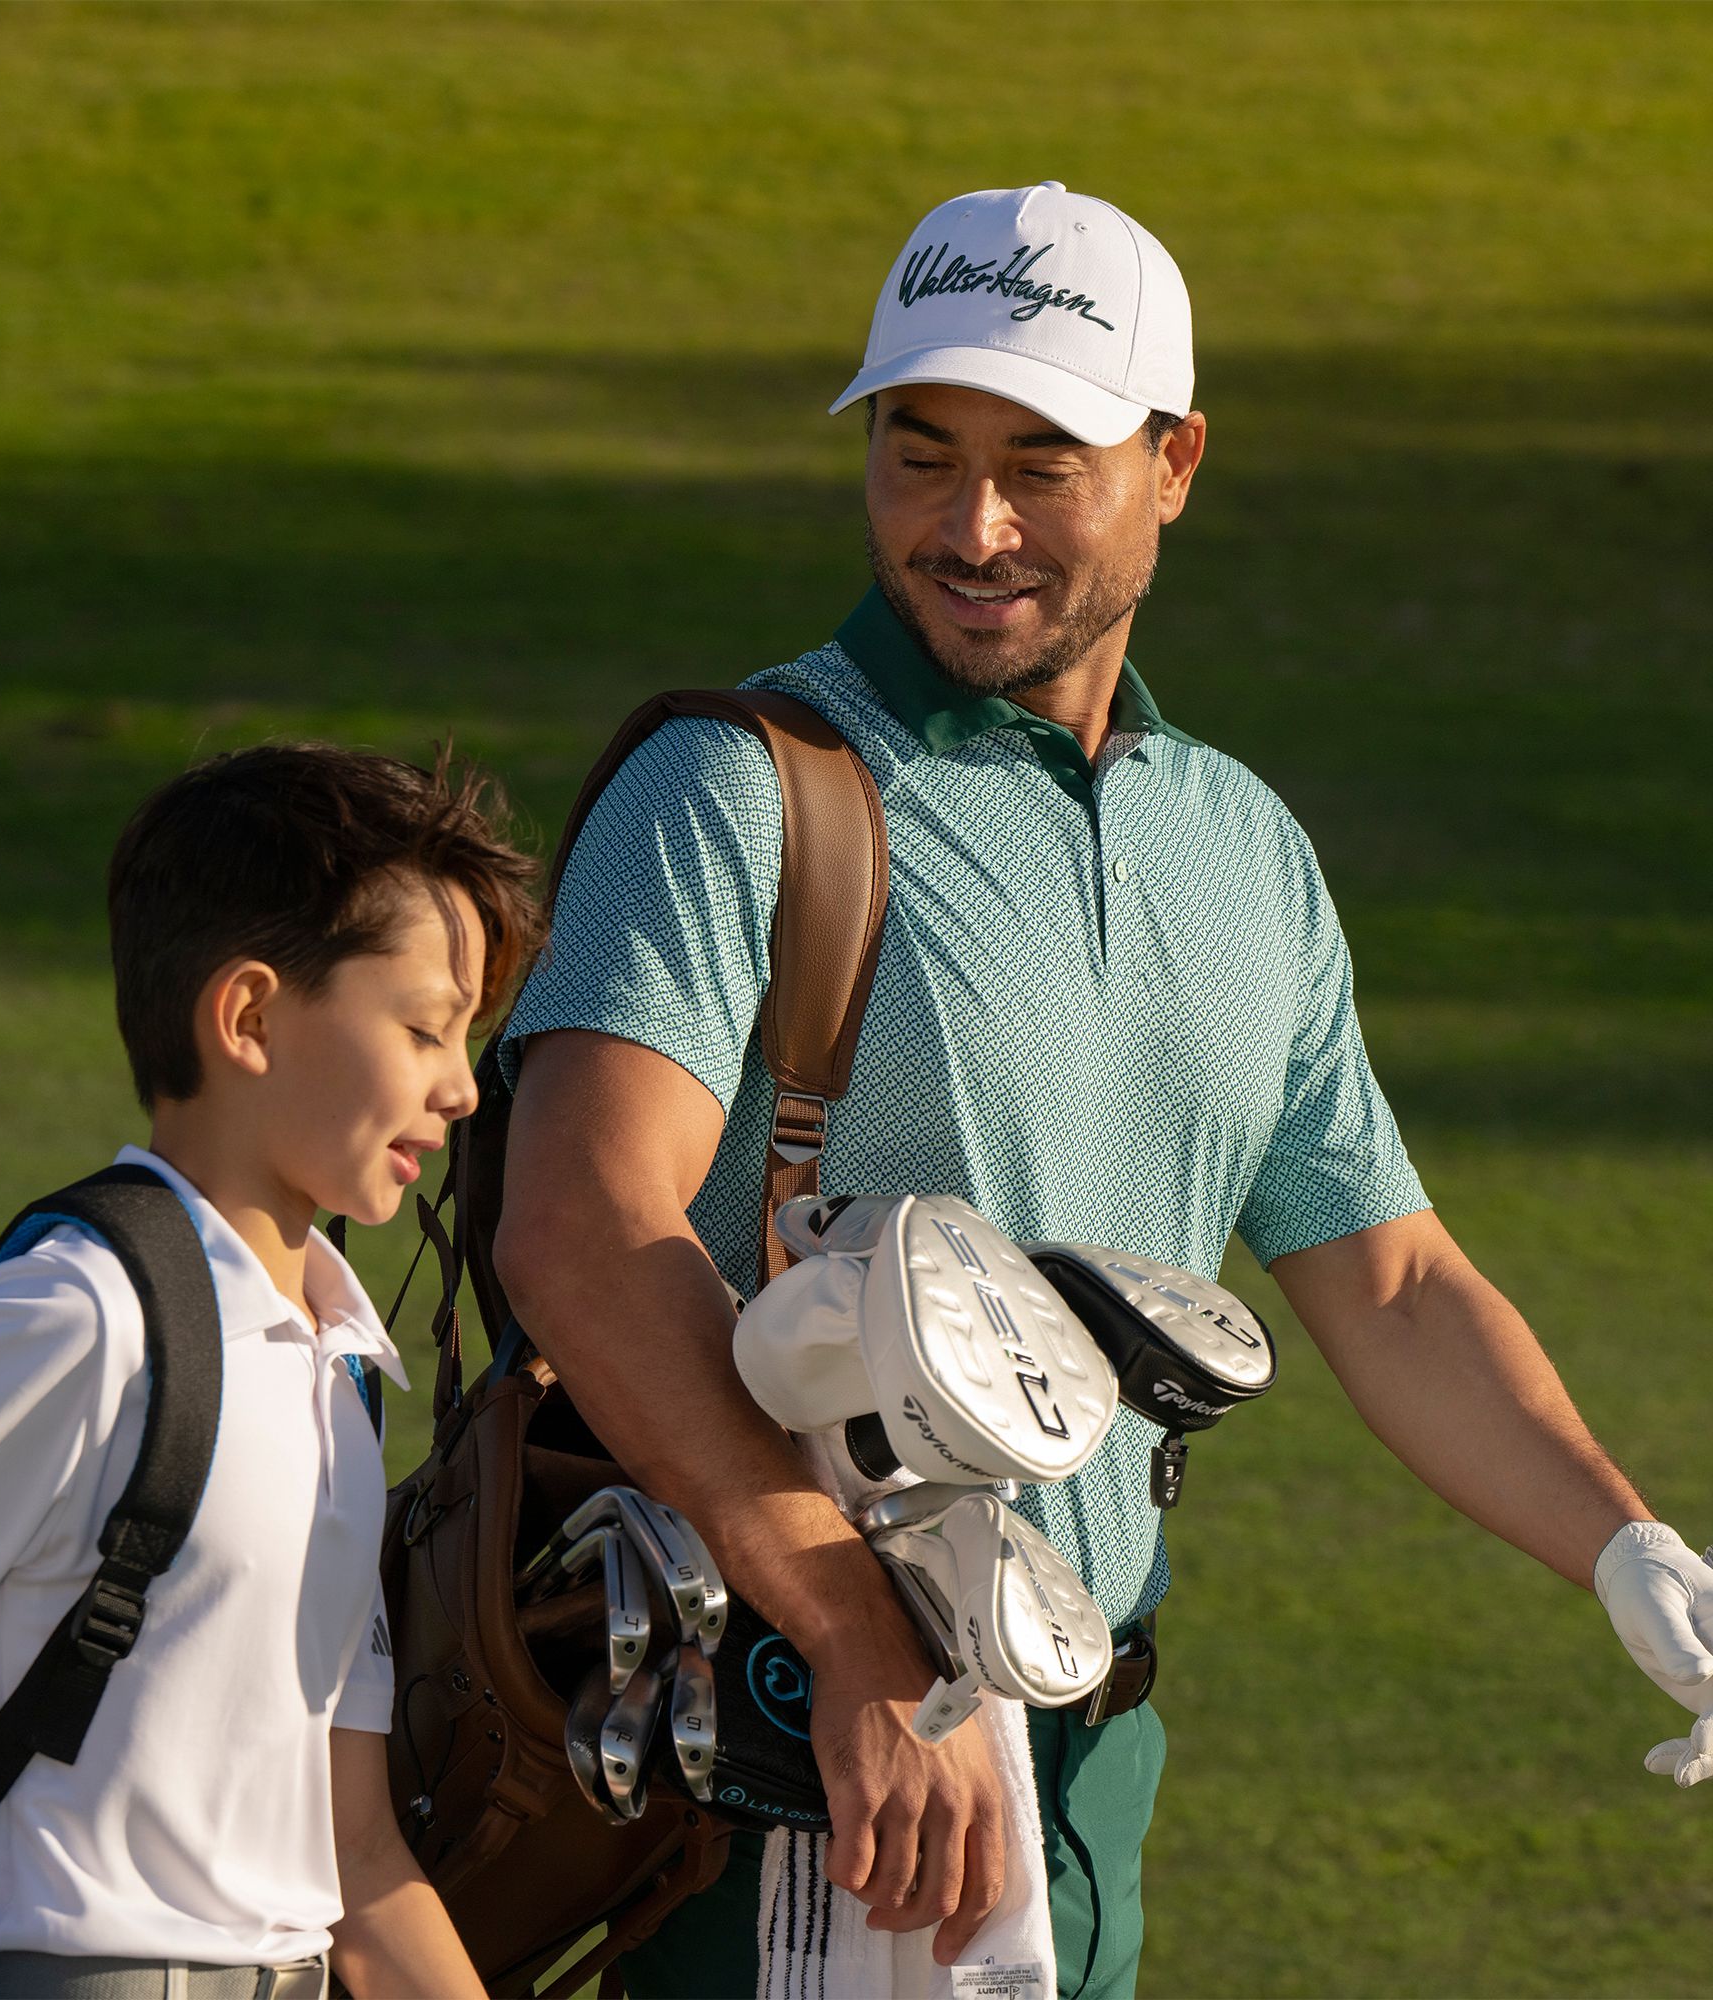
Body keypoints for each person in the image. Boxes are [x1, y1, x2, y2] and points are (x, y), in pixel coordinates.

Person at [491, 182, 1713, 1999]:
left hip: (1085, 1755)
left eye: (1043, 462)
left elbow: (1388, 1280)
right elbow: (583, 1232)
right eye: (921, 454)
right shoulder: (737, 788)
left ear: (1177, 462)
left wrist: (1627, 1549)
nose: (969, 526)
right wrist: (853, 1642)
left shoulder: (1242, 848)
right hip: (780, 1744)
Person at [0, 743, 541, 1999]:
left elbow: (357, 1856)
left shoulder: (337, 1370)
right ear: (250, 1015)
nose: (462, 1085)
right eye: (426, 1026)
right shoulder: (79, 1316)